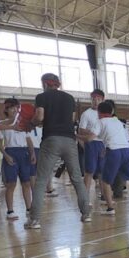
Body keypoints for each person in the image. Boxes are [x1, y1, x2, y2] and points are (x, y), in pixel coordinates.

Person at [25, 73, 91, 229]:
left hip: (51, 139)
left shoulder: (42, 96)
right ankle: (86, 214)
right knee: (76, 178)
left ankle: (34, 220)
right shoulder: (69, 98)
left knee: (41, 180)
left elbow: (40, 117)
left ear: (45, 83)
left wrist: (31, 123)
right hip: (69, 140)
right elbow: (71, 119)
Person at [95, 101, 129, 214]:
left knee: (105, 181)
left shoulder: (101, 122)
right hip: (126, 150)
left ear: (99, 112)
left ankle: (110, 208)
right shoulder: (117, 122)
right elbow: (116, 137)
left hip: (114, 152)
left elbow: (92, 136)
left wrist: (79, 135)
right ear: (112, 112)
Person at [0, 98, 35, 220]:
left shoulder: (24, 123)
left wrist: (32, 153)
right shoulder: (2, 124)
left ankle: (29, 208)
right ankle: (10, 211)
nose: (15, 110)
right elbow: (0, 144)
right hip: (11, 152)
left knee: (26, 182)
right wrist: (6, 155)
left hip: (24, 153)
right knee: (11, 184)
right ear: (6, 109)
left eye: (16, 107)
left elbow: (28, 139)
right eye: (12, 107)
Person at [78, 89, 106, 201]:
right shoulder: (86, 114)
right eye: (94, 99)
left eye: (98, 99)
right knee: (89, 171)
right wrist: (93, 134)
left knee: (102, 172)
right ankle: (85, 198)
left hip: (103, 144)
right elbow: (81, 130)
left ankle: (105, 195)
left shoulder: (105, 114)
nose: (96, 101)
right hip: (92, 144)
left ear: (102, 100)